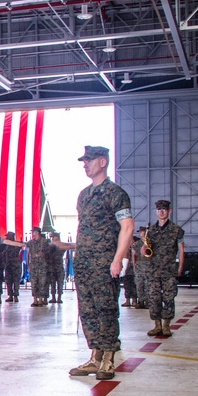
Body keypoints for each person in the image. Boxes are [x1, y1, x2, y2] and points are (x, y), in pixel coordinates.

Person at [67, 146, 134, 380]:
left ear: (102, 162)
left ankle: (108, 357)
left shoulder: (116, 193)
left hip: (105, 262)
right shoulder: (84, 195)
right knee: (87, 310)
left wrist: (118, 259)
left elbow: (127, 227)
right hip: (84, 262)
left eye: (90, 160)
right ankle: (95, 356)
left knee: (106, 308)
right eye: (84, 161)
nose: (85, 164)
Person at [144, 200, 185, 338]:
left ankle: (166, 326)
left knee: (168, 297)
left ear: (169, 211)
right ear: (156, 212)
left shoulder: (176, 230)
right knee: (154, 297)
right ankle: (157, 325)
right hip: (153, 270)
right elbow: (146, 249)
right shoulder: (150, 231)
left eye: (164, 209)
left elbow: (181, 249)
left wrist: (180, 266)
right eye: (159, 209)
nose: (161, 212)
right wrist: (144, 249)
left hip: (169, 269)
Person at [25, 227, 49, 307]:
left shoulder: (45, 242)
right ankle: (35, 299)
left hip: (42, 264)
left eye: (34, 232)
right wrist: (28, 265)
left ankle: (41, 300)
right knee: (34, 282)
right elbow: (27, 254)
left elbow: (49, 253)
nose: (33, 233)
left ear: (37, 232)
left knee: (42, 282)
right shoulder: (30, 243)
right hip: (34, 265)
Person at [131, 226, 151, 309]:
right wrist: (134, 266)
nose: (140, 233)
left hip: (148, 265)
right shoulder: (136, 244)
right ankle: (141, 301)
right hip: (139, 265)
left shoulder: (150, 243)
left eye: (142, 232)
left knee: (147, 284)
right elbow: (133, 255)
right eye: (139, 232)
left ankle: (147, 301)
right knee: (139, 284)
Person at [2, 231, 25, 303]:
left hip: (15, 264)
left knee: (16, 281)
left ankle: (15, 296)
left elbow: (23, 245)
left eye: (9, 236)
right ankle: (10, 296)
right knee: (9, 281)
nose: (7, 237)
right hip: (8, 264)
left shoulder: (16, 244)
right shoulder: (5, 245)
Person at [47, 231, 67, 304]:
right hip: (52, 266)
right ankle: (53, 297)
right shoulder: (50, 246)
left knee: (60, 283)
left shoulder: (61, 246)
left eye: (54, 236)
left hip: (59, 266)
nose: (53, 238)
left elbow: (66, 247)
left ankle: (59, 298)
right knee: (52, 283)